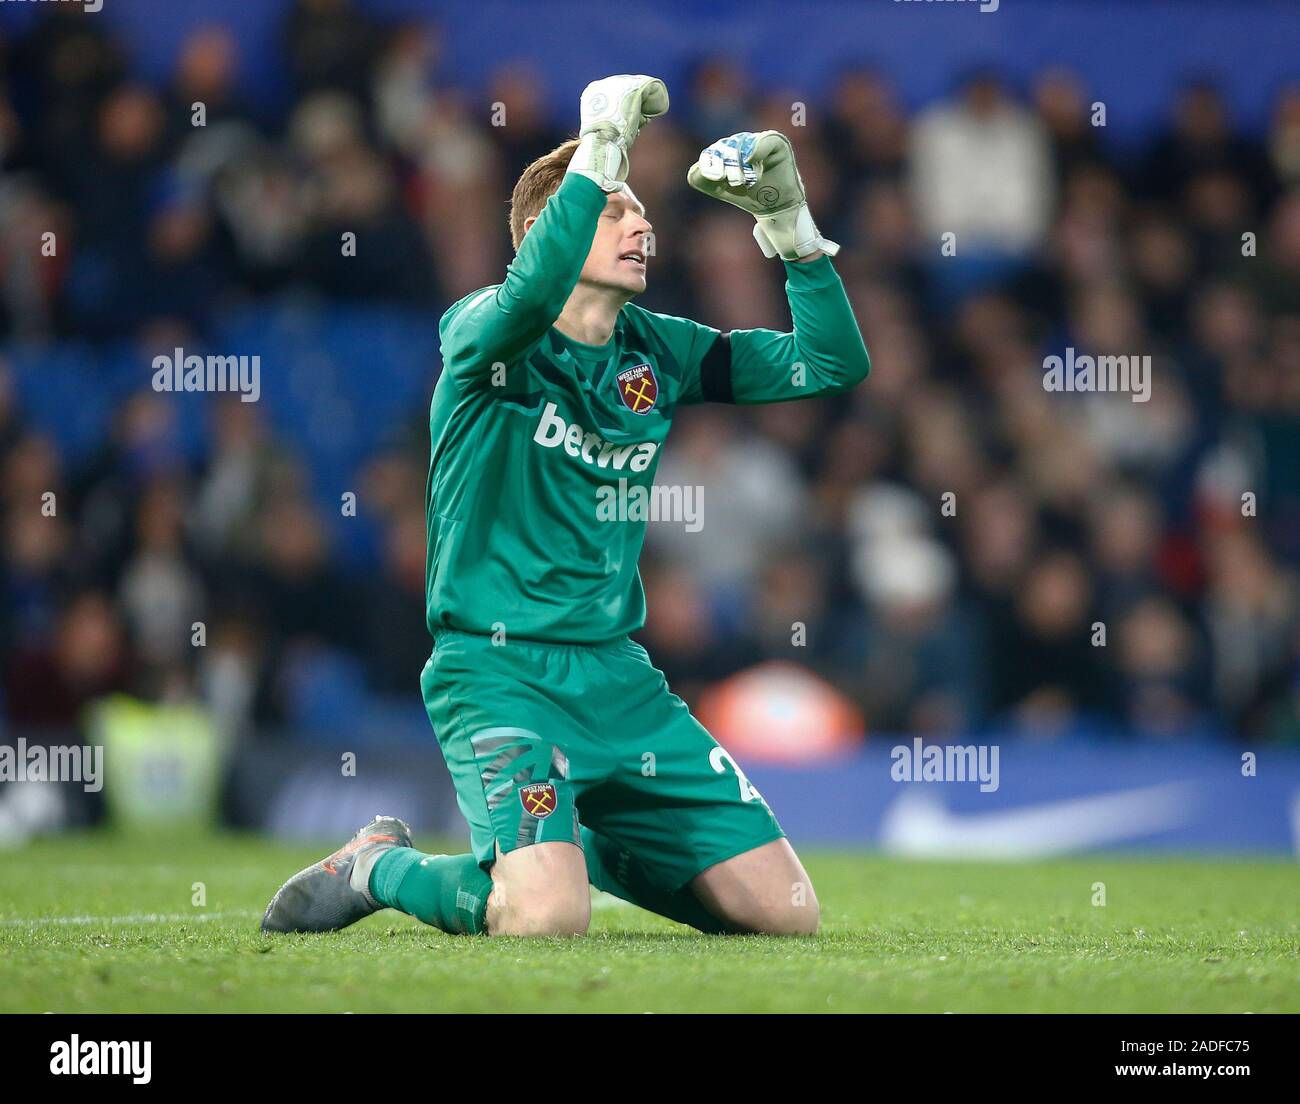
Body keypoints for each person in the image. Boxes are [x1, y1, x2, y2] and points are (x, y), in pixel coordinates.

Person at [262, 75, 870, 938]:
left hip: (621, 680)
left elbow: (830, 366)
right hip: (502, 676)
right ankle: (378, 865)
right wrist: (597, 151)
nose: (644, 224)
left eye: (639, 210)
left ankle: (573, 838)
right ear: (557, 226)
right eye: (617, 209)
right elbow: (526, 294)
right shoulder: (483, 334)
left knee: (787, 918)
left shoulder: (658, 350)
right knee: (547, 921)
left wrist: (793, 235)